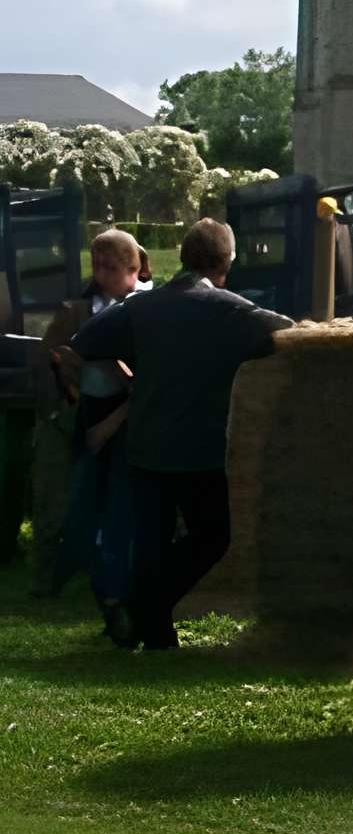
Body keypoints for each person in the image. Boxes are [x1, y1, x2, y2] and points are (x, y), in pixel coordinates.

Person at [68, 218, 281, 651]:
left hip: (146, 447)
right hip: (199, 450)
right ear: (228, 262)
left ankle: (153, 630)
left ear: (182, 258)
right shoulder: (232, 311)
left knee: (151, 546)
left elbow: (86, 340)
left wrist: (132, 359)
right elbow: (290, 334)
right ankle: (144, 610)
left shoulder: (142, 308)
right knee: (212, 536)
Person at [49, 230, 147, 640]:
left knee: (121, 513)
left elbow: (144, 382)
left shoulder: (143, 308)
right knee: (85, 510)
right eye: (98, 266)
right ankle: (98, 592)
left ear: (134, 269)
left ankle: (119, 601)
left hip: (125, 423)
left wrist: (110, 425)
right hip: (94, 415)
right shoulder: (91, 306)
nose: (102, 275)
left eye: (111, 267)